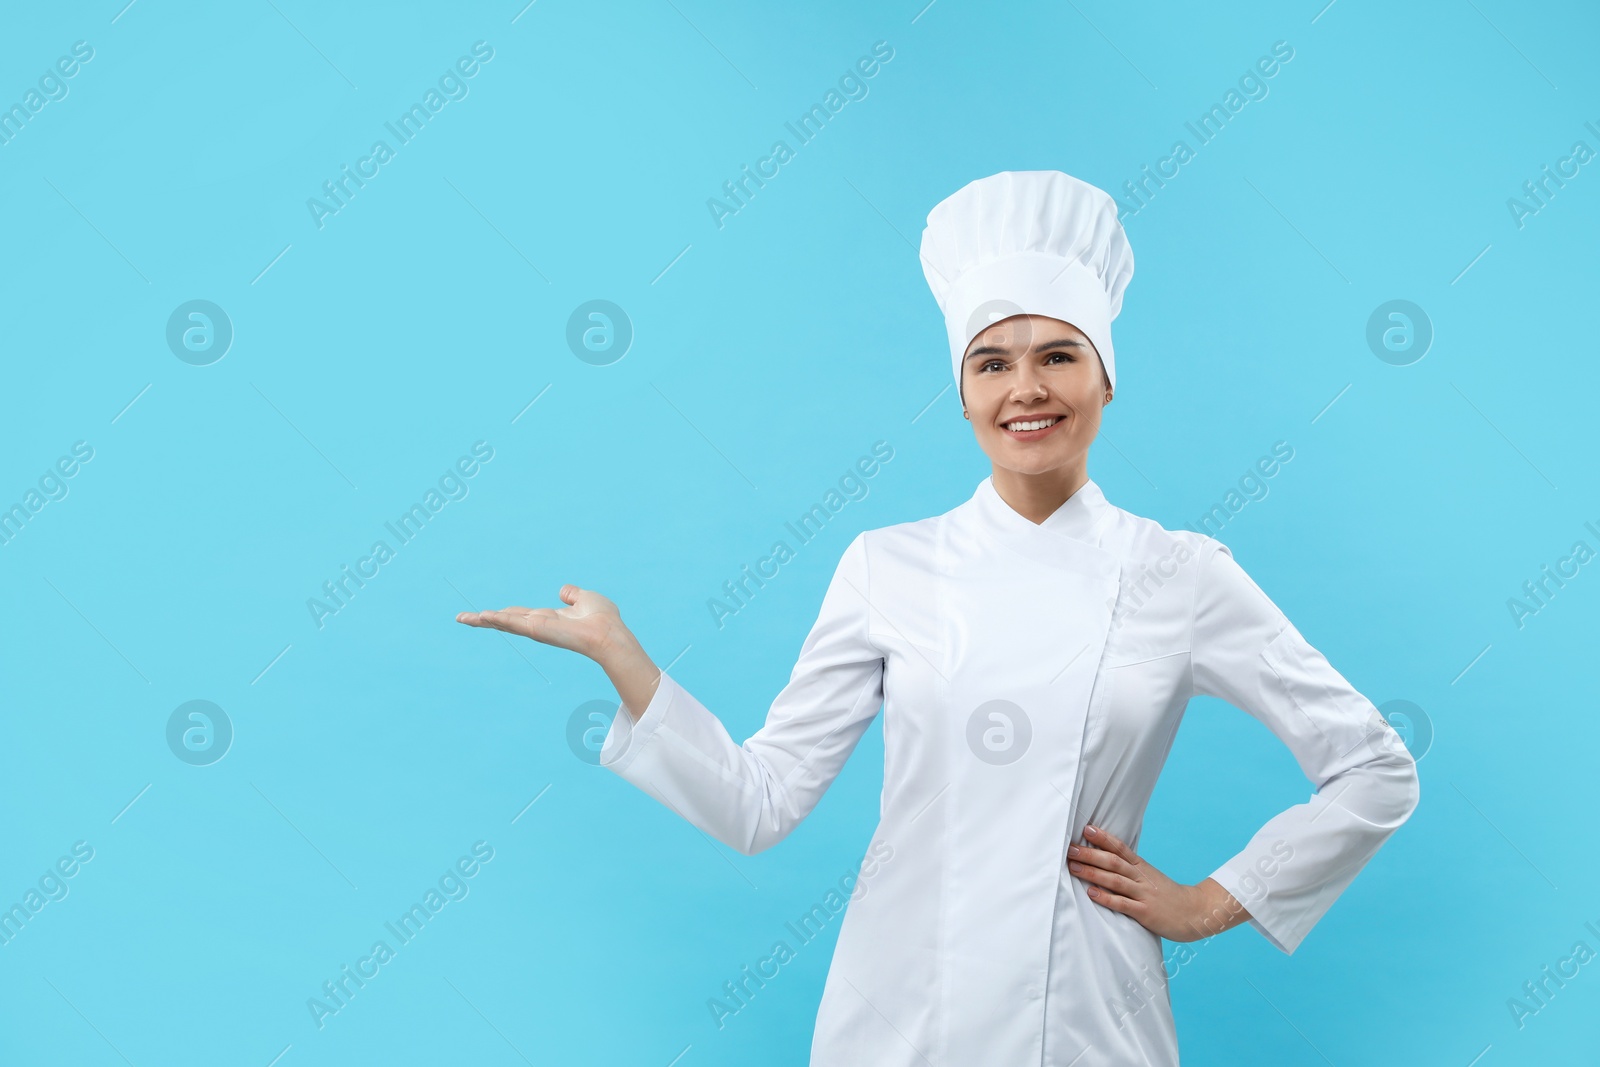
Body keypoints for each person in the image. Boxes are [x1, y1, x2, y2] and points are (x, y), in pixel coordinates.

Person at [456, 170, 1421, 1066]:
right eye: (992, 362)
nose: (1026, 387)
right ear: (961, 394)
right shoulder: (888, 566)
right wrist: (622, 657)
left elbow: (1376, 769)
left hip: (1087, 1018)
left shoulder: (1179, 573)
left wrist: (1214, 901)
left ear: (1106, 377)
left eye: (1057, 356)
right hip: (899, 1016)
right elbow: (760, 803)